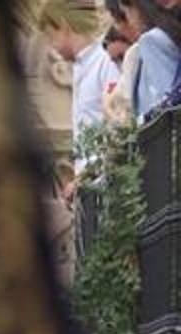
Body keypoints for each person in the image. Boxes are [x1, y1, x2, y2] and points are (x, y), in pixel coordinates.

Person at [39, 0, 121, 197]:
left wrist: (85, 178)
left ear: (64, 26)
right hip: (91, 188)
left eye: (50, 36)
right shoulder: (80, 67)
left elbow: (118, 129)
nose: (51, 46)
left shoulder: (106, 60)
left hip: (108, 188)